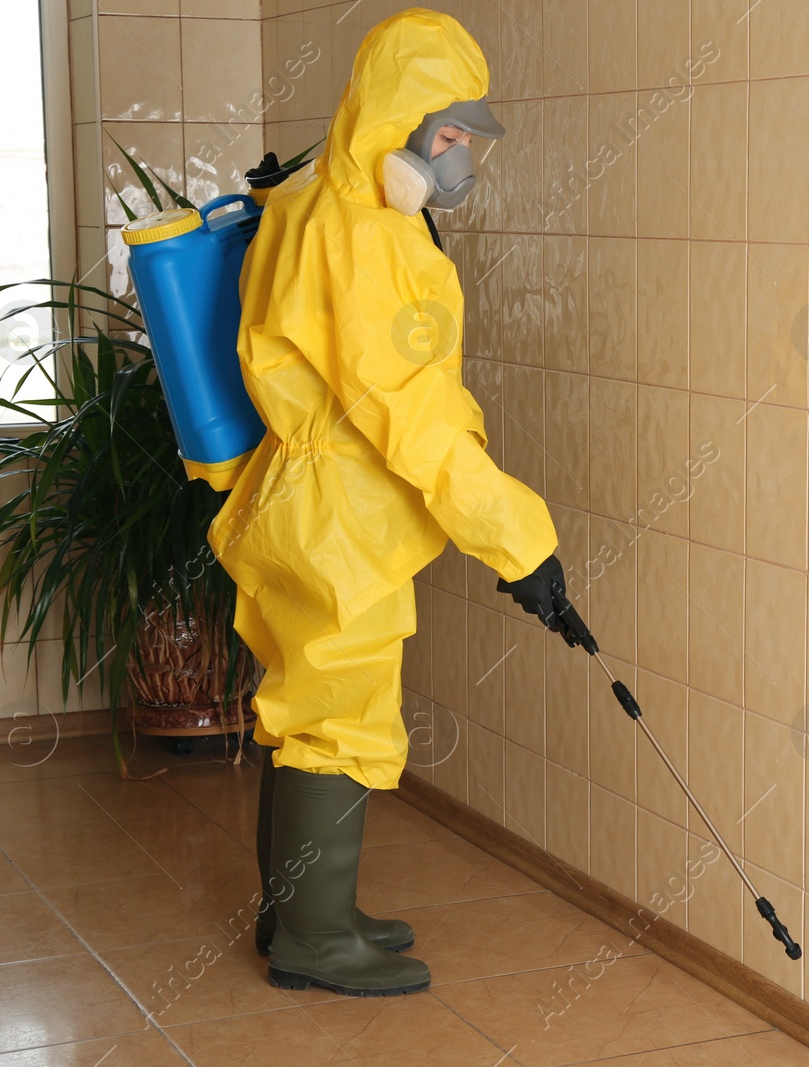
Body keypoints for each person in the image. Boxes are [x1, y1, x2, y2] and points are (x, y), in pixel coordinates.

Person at [207, 9, 571, 997]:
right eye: (447, 137)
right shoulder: (361, 236)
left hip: (304, 497)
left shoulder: (314, 197)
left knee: (304, 709)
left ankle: (302, 909)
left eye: (466, 140)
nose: (460, 162)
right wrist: (521, 545)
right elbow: (411, 417)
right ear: (394, 122)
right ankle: (314, 939)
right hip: (341, 516)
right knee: (338, 718)